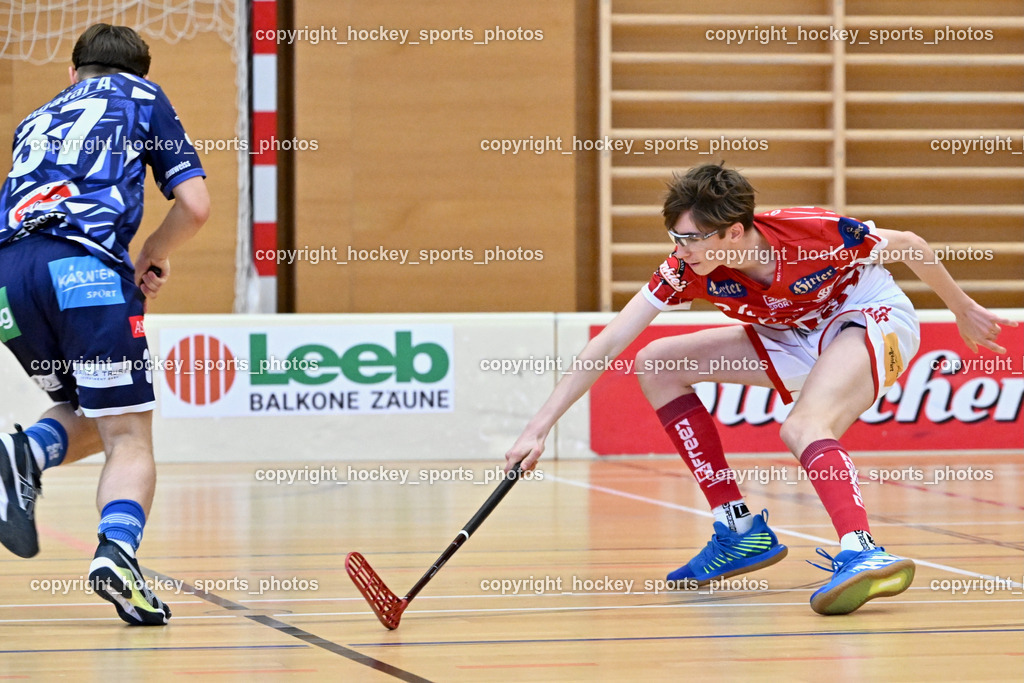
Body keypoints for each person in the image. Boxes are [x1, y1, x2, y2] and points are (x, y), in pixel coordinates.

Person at [504, 163, 1015, 615]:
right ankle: (740, 529)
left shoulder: (813, 232)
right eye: (675, 238)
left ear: (731, 233)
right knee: (654, 362)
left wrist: (961, 308)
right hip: (788, 334)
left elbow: (910, 246)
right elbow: (611, 339)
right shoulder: (688, 268)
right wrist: (538, 427)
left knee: (804, 426)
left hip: (867, 315)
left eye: (688, 239)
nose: (678, 251)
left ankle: (862, 550)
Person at [0, 24, 209, 625]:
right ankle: (117, 554)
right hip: (82, 271)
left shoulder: (35, 118)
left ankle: (27, 451)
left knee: (90, 415)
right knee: (128, 436)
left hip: (9, 276)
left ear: (72, 74)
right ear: (139, 73)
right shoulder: (143, 96)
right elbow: (194, 206)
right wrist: (152, 253)